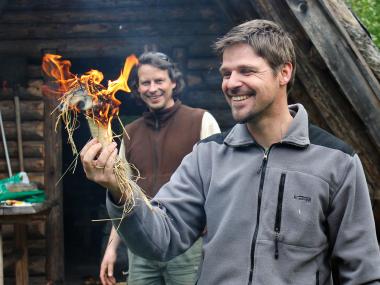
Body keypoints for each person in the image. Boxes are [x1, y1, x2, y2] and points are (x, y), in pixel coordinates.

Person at [81, 20, 380, 285]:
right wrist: (120, 190)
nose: (231, 83)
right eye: (226, 72)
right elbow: (161, 239)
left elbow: (361, 272)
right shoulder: (207, 156)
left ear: (284, 72)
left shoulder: (337, 162)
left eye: (246, 71)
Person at [96, 51, 220, 285]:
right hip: (141, 247)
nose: (153, 88)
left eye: (159, 81)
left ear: (173, 82)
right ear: (138, 88)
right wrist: (111, 249)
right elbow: (122, 195)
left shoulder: (201, 120)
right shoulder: (130, 133)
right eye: (146, 83)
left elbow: (220, 183)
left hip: (187, 245)